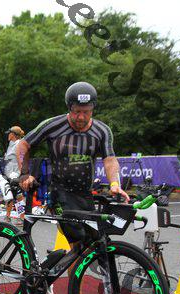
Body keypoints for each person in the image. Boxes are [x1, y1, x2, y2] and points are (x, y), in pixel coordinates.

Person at [18, 81, 130, 280]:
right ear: (69, 108)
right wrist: (24, 174)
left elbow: (110, 159)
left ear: (93, 109)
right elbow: (23, 144)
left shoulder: (102, 131)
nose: (81, 117)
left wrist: (115, 184)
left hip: (85, 195)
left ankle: (54, 271)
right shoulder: (53, 125)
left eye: (86, 112)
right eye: (77, 111)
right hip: (60, 193)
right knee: (78, 244)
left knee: (92, 243)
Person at [0, 126, 26, 225]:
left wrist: (21, 174)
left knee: (18, 195)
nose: (8, 135)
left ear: (13, 134)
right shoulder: (11, 144)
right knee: (8, 193)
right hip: (9, 172)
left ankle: (21, 218)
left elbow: (21, 159)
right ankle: (8, 216)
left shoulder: (19, 144)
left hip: (16, 173)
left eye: (9, 133)